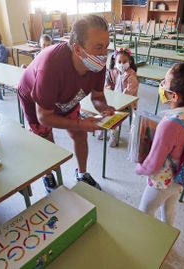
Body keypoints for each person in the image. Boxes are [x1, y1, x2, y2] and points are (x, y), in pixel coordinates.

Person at [18, 15, 114, 193]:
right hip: (35, 100)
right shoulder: (51, 67)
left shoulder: (97, 64)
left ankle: (82, 174)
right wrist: (79, 123)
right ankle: (48, 175)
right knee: (47, 141)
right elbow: (44, 116)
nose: (104, 55)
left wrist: (104, 108)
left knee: (80, 134)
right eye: (99, 47)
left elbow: (98, 96)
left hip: (66, 96)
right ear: (77, 49)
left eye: (106, 46)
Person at [136, 62, 184, 225]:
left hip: (162, 180)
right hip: (179, 176)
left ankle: (147, 243)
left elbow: (153, 163)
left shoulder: (169, 125)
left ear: (174, 96)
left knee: (144, 211)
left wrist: (140, 168)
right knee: (169, 209)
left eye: (165, 81)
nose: (162, 84)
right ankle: (168, 235)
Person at [100, 47, 139, 147]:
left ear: (129, 61)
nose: (122, 64)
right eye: (119, 61)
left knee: (113, 113)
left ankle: (113, 132)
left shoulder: (132, 76)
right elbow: (107, 86)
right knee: (101, 107)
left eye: (124, 61)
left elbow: (130, 92)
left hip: (126, 103)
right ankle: (105, 127)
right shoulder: (112, 72)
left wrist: (118, 102)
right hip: (113, 99)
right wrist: (109, 97)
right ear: (115, 61)